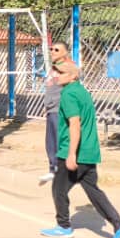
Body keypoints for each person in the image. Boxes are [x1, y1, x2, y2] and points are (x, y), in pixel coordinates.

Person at [40, 59, 120, 238]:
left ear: (73, 76)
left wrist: (71, 154)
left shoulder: (68, 94)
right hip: (90, 152)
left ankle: (63, 226)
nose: (57, 75)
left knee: (58, 188)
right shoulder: (83, 91)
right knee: (94, 192)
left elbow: (75, 124)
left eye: (61, 72)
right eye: (56, 72)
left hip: (74, 151)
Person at [39, 42, 69, 184]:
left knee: (59, 140)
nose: (52, 52)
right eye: (51, 49)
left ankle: (62, 171)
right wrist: (46, 105)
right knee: (50, 142)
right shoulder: (54, 68)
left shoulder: (67, 68)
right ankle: (53, 169)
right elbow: (50, 89)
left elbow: (68, 90)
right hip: (51, 109)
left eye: (56, 50)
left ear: (65, 52)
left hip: (60, 109)